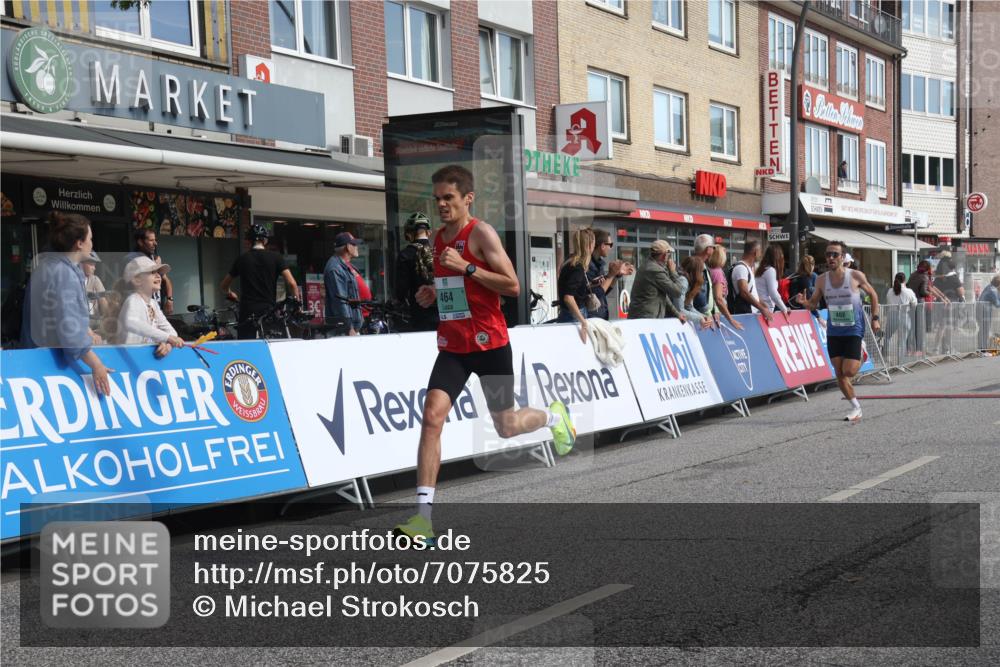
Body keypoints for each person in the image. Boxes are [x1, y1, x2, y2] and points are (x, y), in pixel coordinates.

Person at [394, 165, 576, 543]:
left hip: (491, 345)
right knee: (432, 417)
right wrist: (432, 291)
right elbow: (453, 286)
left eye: (449, 198)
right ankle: (423, 519)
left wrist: (469, 266)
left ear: (467, 198)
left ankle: (552, 415)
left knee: (506, 426)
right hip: (454, 346)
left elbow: (512, 285)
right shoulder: (437, 241)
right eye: (438, 198)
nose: (442, 205)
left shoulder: (481, 233)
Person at [21, 213, 112, 395]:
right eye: (90, 239)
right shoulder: (64, 274)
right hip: (52, 368)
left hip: (33, 362)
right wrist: (96, 364)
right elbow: (70, 331)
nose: (92, 244)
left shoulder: (48, 266)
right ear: (79, 243)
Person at [796, 241, 881, 422]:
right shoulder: (821, 280)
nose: (831, 258)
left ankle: (861, 353)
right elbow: (813, 303)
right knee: (839, 374)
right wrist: (805, 303)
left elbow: (873, 295)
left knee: (849, 371)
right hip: (834, 331)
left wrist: (875, 318)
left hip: (853, 329)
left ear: (843, 258)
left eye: (835, 254)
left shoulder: (855, 276)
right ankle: (855, 407)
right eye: (828, 255)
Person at [221, 223, 300, 340]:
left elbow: (224, 285)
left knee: (247, 349)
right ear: (265, 241)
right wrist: (296, 305)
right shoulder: (276, 258)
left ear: (248, 241)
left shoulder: (242, 259)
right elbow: (292, 283)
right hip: (268, 312)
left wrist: (230, 293)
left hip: (247, 313)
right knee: (270, 345)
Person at [118, 256, 185, 357]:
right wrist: (168, 338)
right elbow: (131, 323)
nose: (158, 276)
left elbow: (171, 332)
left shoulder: (153, 304)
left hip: (142, 357)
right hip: (128, 357)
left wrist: (168, 345)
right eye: (153, 272)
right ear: (137, 280)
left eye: (159, 272)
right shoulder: (133, 299)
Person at [395, 213, 439, 332]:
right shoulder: (438, 251)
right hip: (442, 311)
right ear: (428, 232)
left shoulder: (405, 254)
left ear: (409, 234)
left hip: (419, 312)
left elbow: (401, 289)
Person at [627, 239, 686, 321]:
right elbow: (678, 292)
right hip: (646, 319)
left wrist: (677, 314)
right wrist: (673, 271)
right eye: (669, 255)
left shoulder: (649, 266)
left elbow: (663, 296)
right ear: (664, 255)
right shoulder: (655, 270)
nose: (669, 258)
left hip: (644, 317)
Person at [324, 232, 365, 336]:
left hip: (354, 328)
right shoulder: (335, 268)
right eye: (354, 244)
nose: (357, 247)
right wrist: (349, 328)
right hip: (345, 331)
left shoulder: (346, 265)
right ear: (347, 247)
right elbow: (340, 301)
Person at [557, 228, 596, 337]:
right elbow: (568, 297)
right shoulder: (577, 268)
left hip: (568, 314)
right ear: (589, 245)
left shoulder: (569, 263)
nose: (594, 247)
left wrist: (590, 285)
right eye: (594, 244)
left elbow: (572, 290)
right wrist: (583, 322)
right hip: (574, 316)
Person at [126, 228, 174, 315]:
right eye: (151, 240)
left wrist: (170, 299)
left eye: (155, 240)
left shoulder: (156, 258)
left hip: (157, 307)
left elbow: (166, 279)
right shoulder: (131, 259)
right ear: (140, 242)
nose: (155, 243)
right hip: (141, 309)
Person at [587, 228, 632, 320]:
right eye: (610, 245)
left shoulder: (599, 263)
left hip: (600, 315)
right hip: (591, 317)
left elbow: (604, 291)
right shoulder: (588, 265)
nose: (611, 248)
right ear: (603, 246)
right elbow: (597, 293)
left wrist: (616, 275)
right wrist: (611, 275)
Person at [729, 240, 773, 322]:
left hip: (750, 313)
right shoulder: (741, 268)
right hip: (744, 314)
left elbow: (752, 291)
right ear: (755, 252)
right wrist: (762, 308)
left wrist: (763, 305)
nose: (761, 255)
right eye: (760, 252)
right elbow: (744, 292)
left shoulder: (748, 268)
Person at [707, 245, 743, 330]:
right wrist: (731, 320)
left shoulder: (711, 270)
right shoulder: (718, 273)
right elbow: (718, 298)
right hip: (717, 313)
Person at [885, 271, 918, 358]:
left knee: (887, 337)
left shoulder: (889, 291)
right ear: (905, 280)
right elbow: (914, 303)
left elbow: (888, 301)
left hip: (892, 315)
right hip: (904, 316)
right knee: (902, 339)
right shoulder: (908, 291)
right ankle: (900, 360)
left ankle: (886, 358)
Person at [678, 256, 714, 328]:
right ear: (696, 271)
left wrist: (704, 317)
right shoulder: (683, 281)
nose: (702, 275)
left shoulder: (690, 282)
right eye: (701, 271)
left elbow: (689, 307)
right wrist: (700, 318)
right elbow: (679, 310)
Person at [755, 245, 791, 317]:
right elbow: (773, 293)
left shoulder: (762, 269)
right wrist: (784, 309)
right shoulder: (770, 270)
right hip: (765, 308)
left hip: (759, 307)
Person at [82, 251, 108, 320]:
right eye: (91, 264)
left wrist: (107, 318)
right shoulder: (73, 280)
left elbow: (103, 301)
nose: (94, 268)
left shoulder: (95, 280)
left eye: (94, 265)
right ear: (81, 263)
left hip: (94, 320)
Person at [978, 275, 1000, 351]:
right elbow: (997, 304)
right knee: (985, 329)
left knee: (983, 329)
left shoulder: (989, 287)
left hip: (982, 310)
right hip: (985, 311)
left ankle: (982, 347)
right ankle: (982, 348)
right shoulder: (993, 290)